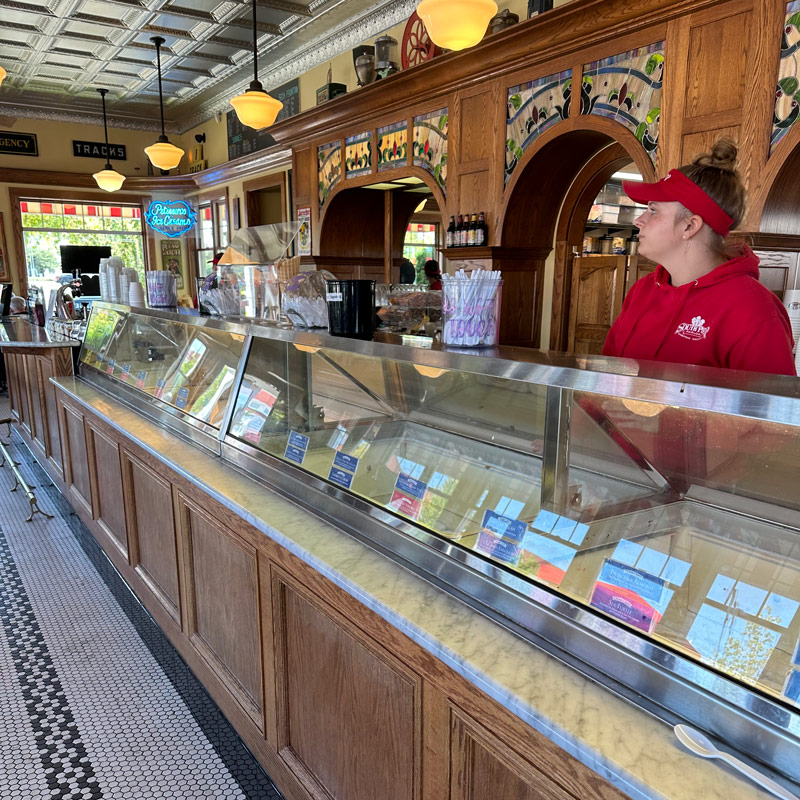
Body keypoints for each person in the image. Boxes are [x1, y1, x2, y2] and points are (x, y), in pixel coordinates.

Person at [603, 139, 795, 376]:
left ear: (690, 226)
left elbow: (765, 408)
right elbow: (607, 374)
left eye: (653, 211)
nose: (638, 221)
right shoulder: (642, 291)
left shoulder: (755, 310)